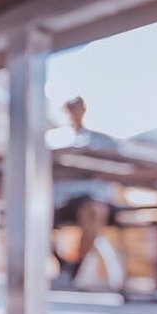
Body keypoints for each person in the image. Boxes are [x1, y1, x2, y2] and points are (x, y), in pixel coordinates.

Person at [52, 96, 122, 289]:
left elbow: (116, 169)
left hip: (92, 198)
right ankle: (62, 264)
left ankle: (75, 268)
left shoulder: (102, 140)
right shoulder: (55, 140)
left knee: (94, 211)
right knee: (30, 216)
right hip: (59, 199)